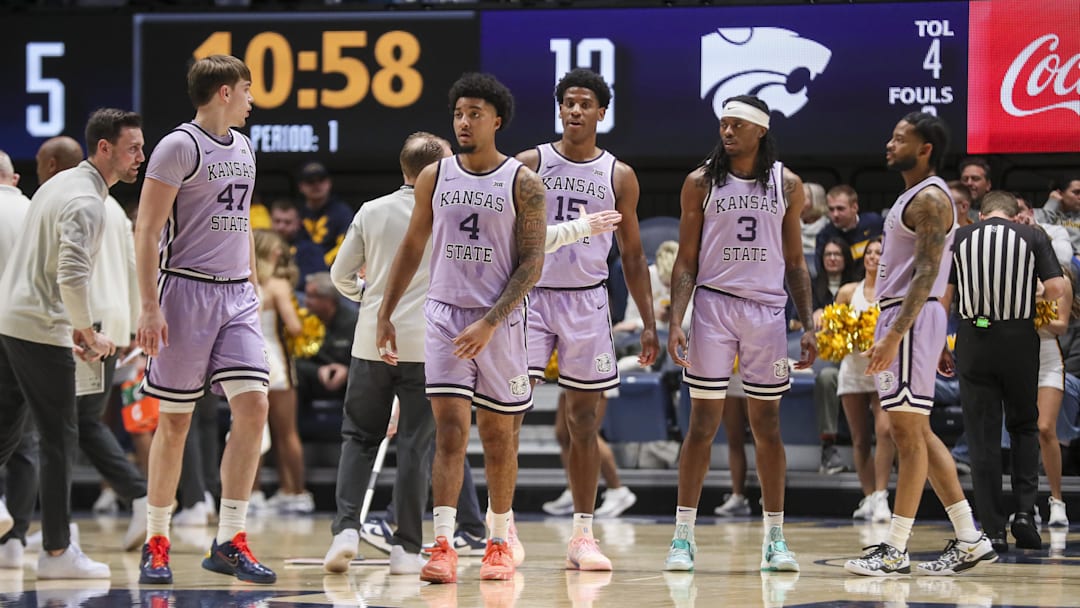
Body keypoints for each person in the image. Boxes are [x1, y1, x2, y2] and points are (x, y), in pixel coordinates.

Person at [376, 73, 546, 585]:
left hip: (499, 321)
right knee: (449, 432)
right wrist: (385, 311)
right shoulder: (434, 176)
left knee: (498, 436)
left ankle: (498, 541)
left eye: (475, 114)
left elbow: (532, 263)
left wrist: (490, 323)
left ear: (497, 121)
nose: (464, 122)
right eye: (458, 114)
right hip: (444, 316)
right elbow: (412, 246)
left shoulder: (523, 182)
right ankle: (445, 544)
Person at [134, 54, 275, 585]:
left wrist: (252, 280)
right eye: (247, 89)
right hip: (184, 291)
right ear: (224, 92)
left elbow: (240, 223)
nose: (251, 100)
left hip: (236, 294)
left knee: (255, 406)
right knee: (175, 422)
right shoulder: (178, 146)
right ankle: (157, 540)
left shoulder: (245, 146)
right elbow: (147, 230)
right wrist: (149, 306)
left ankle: (230, 538)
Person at [665, 95, 817, 572]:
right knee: (702, 425)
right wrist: (676, 319)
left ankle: (775, 538)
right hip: (714, 307)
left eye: (737, 125)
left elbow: (796, 262)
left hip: (767, 312)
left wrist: (809, 323)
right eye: (723, 124)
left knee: (767, 427)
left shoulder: (787, 184)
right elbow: (685, 259)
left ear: (761, 130)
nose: (727, 132)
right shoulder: (700, 182)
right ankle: (682, 537)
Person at [517, 67, 658, 571]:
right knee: (507, 414)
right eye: (568, 103)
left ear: (601, 112)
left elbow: (634, 256)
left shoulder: (618, 174)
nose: (575, 111)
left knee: (583, 420)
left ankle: (582, 535)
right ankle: (500, 529)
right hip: (531, 298)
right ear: (560, 110)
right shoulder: (529, 164)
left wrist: (648, 321)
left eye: (585, 104)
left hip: (587, 302)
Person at [845, 112, 995, 577]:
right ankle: (969, 538)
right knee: (919, 433)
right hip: (908, 318)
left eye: (899, 139)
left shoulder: (930, 197)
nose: (889, 145)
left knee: (907, 434)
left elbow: (928, 273)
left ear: (925, 148)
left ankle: (895, 548)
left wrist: (897, 335)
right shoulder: (914, 195)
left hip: (907, 320)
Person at [0, 108, 144, 579]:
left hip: (11, 320)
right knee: (60, 436)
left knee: (7, 429)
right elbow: (70, 274)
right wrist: (85, 330)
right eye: (133, 148)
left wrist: (75, 329)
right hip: (41, 326)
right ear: (104, 148)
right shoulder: (87, 201)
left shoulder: (58, 184)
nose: (140, 157)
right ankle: (58, 553)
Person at [322, 132, 451, 576]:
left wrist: (369, 296)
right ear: (438, 169)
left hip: (372, 342)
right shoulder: (448, 213)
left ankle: (345, 530)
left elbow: (339, 275)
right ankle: (406, 549)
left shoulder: (371, 210)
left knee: (359, 437)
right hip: (428, 346)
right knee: (416, 446)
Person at [942, 190, 1066, 552]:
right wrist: (1028, 291)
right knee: (1024, 426)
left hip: (974, 338)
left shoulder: (960, 237)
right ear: (1014, 217)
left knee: (982, 436)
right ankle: (1025, 513)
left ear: (982, 215)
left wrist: (939, 345)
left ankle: (993, 529)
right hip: (1018, 338)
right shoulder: (1032, 236)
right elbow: (1057, 288)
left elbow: (944, 297)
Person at [834, 238, 895, 522]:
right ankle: (869, 496)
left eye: (879, 252)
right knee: (859, 439)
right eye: (869, 252)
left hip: (882, 369)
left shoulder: (892, 291)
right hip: (853, 370)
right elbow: (834, 331)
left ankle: (882, 496)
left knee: (884, 431)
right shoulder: (848, 292)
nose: (873, 256)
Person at [252, 229, 310, 513]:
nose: (281, 253)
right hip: (276, 361)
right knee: (287, 432)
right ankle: (296, 493)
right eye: (276, 248)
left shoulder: (244, 281)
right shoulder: (278, 285)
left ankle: (251, 495)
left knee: (250, 429)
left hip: (250, 360)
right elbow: (295, 326)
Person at [811, 237, 859, 475]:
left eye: (837, 254)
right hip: (830, 357)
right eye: (828, 254)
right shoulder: (811, 286)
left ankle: (889, 450)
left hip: (858, 356)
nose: (832, 258)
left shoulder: (858, 289)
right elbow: (793, 322)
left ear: (846, 258)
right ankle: (828, 449)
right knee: (827, 377)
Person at [294, 272, 358, 408]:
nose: (306, 301)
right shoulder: (301, 322)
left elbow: (364, 362)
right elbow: (295, 359)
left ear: (330, 300)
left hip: (347, 383)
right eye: (306, 295)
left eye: (312, 296)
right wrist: (317, 370)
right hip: (313, 380)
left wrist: (347, 371)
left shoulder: (354, 322)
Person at [296, 161, 354, 269]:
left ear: (329, 183)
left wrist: (322, 264)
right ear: (301, 186)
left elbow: (346, 245)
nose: (316, 185)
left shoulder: (342, 212)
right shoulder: (296, 213)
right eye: (310, 181)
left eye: (321, 180)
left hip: (332, 269)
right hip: (300, 268)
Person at [814, 184, 884, 272]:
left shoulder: (875, 223)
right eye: (831, 209)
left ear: (854, 207)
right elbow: (821, 271)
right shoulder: (824, 236)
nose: (835, 214)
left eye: (840, 209)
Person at [269, 198, 328, 282]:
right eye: (277, 221)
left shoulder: (311, 250)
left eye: (287, 222)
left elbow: (316, 281)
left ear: (298, 223)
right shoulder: (263, 245)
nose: (281, 227)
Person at [1034, 173, 1080, 254]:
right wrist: (1052, 203)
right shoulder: (1042, 213)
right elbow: (1037, 228)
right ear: (1060, 193)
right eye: (1076, 192)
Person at [801, 182, 828, 277]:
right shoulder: (790, 226)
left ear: (816, 201)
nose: (798, 202)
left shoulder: (829, 227)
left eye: (803, 198)